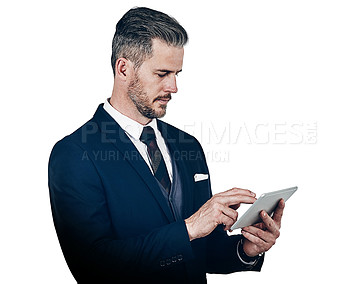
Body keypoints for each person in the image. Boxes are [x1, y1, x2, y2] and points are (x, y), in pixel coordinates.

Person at [48, 7, 285, 284]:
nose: (173, 87)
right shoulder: (75, 154)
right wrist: (189, 228)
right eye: (162, 74)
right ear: (123, 69)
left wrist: (247, 249)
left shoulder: (189, 146)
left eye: (176, 73)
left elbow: (200, 251)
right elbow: (93, 267)